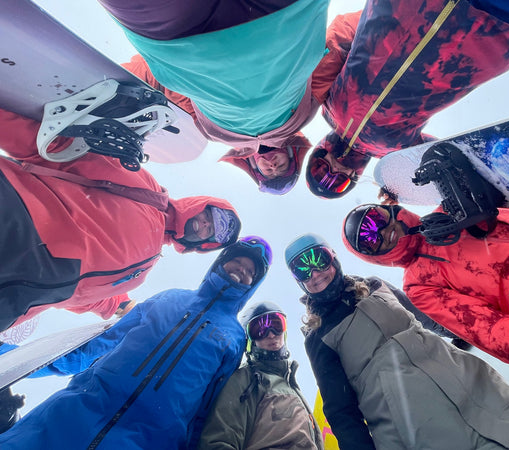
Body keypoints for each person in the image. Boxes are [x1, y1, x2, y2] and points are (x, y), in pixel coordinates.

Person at [284, 233, 509, 450]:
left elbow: (431, 315)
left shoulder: (375, 285)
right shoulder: (318, 335)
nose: (314, 273)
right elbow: (341, 411)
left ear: (333, 258)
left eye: (319, 260)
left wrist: (472, 332)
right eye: (302, 269)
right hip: (415, 428)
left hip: (475, 391)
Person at [0, 237, 272, 449]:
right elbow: (96, 345)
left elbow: (208, 409)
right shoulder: (170, 298)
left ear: (253, 285)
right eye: (237, 261)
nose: (241, 271)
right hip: (76, 409)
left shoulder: (235, 338)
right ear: (221, 261)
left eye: (250, 272)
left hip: (152, 440)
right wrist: (9, 360)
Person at [305, 0, 509, 198]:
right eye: (338, 182)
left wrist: (386, 15)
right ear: (354, 179)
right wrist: (402, 183)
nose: (333, 170)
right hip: (495, 32)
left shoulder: (324, 104)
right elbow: (446, 157)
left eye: (320, 170)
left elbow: (340, 34)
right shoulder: (394, 151)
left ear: (316, 153)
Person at [0, 107, 241, 332]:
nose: (207, 224)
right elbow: (62, 151)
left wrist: (117, 306)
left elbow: (80, 297)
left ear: (204, 244)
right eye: (211, 215)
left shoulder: (141, 272)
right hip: (19, 219)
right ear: (199, 204)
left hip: (16, 299)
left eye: (214, 232)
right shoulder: (148, 191)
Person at [343, 203, 509, 392]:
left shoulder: (452, 205)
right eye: (368, 239)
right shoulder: (420, 285)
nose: (379, 232)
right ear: (373, 256)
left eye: (375, 219)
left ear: (388, 209)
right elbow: (500, 334)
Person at [118, 10, 361, 194]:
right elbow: (336, 47)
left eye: (268, 171)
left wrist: (119, 83)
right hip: (269, 20)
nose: (273, 165)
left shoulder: (210, 132)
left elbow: (170, 82)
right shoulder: (304, 113)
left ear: (255, 166)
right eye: (281, 167)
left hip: (186, 37)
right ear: (291, 155)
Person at [199, 301, 324, 449]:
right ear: (249, 339)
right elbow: (219, 440)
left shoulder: (291, 385)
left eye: (277, 325)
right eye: (260, 330)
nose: (271, 334)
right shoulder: (245, 380)